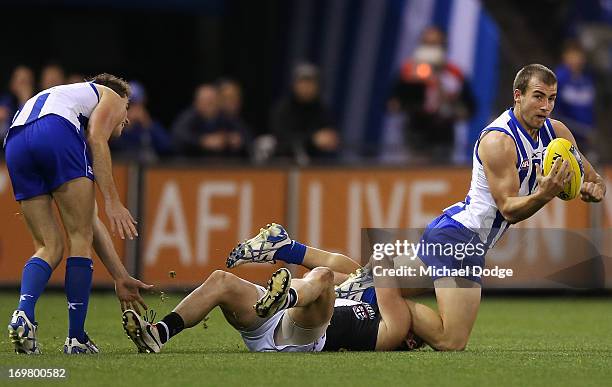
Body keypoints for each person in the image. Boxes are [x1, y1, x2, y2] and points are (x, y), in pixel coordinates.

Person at [340, 64, 606, 351]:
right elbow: (508, 209)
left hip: (463, 237)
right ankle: (375, 301)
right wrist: (544, 194)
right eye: (538, 97)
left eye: (551, 98)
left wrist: (593, 190)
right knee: (451, 341)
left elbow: (593, 178)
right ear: (518, 95)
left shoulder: (557, 133)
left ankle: (334, 287)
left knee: (378, 283)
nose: (546, 106)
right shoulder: (499, 141)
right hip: (460, 238)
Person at [4, 73, 152, 355]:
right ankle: (76, 338)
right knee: (79, 238)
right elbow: (97, 138)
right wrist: (113, 201)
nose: (127, 118)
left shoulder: (65, 98)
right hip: (55, 133)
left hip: (15, 139)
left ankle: (23, 313)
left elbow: (91, 220)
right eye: (128, 109)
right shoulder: (111, 95)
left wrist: (119, 276)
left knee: (49, 245)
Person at [122, 224, 421, 353]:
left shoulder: (390, 326)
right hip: (271, 321)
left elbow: (385, 285)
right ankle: (159, 333)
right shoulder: (363, 288)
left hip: (302, 335)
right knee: (220, 280)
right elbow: (357, 268)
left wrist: (383, 270)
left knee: (323, 276)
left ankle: (285, 290)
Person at [389, 26, 475, 163]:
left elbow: (469, 110)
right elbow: (392, 104)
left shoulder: (454, 74)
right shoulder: (408, 71)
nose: (431, 49)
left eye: (435, 45)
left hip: (443, 135)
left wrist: (449, 99)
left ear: (444, 47)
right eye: (427, 44)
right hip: (415, 132)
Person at [270, 63, 339, 163]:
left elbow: (329, 133)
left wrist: (330, 139)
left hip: (317, 164)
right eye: (302, 82)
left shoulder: (322, 109)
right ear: (294, 85)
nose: (306, 87)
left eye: (311, 82)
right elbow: (281, 139)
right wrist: (312, 139)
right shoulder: (282, 109)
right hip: (285, 163)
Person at [172, 84, 246, 157]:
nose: (210, 105)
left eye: (212, 101)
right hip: (192, 163)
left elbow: (247, 136)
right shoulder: (189, 117)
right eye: (205, 101)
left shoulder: (225, 117)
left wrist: (235, 139)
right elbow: (177, 137)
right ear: (196, 103)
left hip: (223, 164)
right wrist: (203, 141)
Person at [109, 81, 174, 162]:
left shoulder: (148, 124)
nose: (134, 109)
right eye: (130, 105)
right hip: (121, 168)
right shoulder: (115, 123)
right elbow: (110, 146)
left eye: (137, 104)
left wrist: (148, 125)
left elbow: (167, 147)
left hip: (147, 169)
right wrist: (126, 127)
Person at [554, 41, 596, 154]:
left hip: (584, 137)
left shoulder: (587, 81)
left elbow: (590, 110)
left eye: (579, 55)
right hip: (563, 135)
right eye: (573, 55)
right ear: (565, 56)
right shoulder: (558, 78)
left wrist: (590, 129)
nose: (576, 59)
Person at [0, 66, 35, 144]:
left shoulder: (38, 103)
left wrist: (24, 102)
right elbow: (5, 134)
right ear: (12, 84)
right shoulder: (5, 102)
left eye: (27, 82)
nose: (23, 87)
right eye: (21, 82)